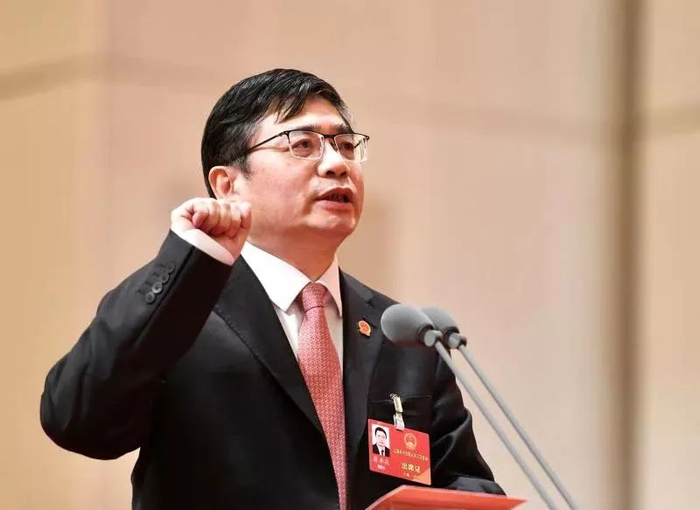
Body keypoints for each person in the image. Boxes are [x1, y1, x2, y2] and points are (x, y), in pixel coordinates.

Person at [40, 69, 503, 510]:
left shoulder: (403, 334)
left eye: (345, 145)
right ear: (227, 184)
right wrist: (183, 261)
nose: (336, 164)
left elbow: (461, 482)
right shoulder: (181, 313)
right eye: (302, 145)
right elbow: (78, 422)